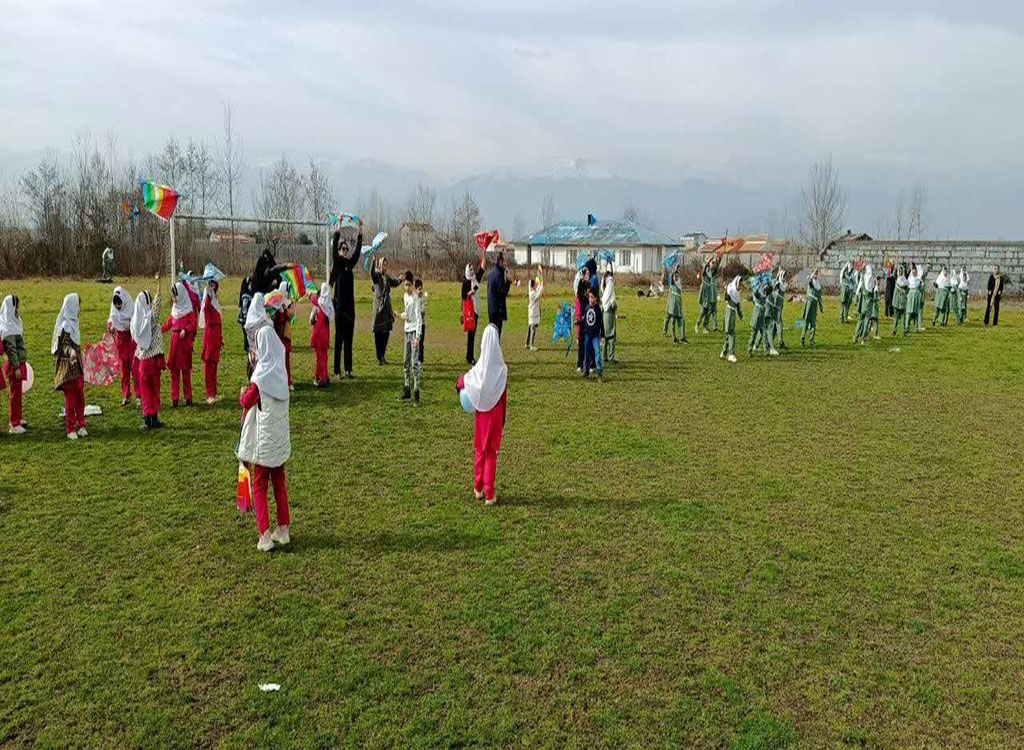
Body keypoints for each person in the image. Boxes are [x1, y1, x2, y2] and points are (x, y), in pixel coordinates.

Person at [238, 325, 292, 552]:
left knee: (259, 486)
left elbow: (246, 402)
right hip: (279, 442)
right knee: (279, 484)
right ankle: (284, 528)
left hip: (263, 444)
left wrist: (243, 393)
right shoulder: (281, 372)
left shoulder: (261, 378)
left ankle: (265, 534)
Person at [456, 324, 508, 506]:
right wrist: (503, 420)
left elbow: (465, 380)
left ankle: (478, 488)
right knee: (491, 453)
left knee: (480, 450)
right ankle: (489, 493)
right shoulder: (501, 369)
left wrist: (459, 385)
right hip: (495, 415)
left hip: (481, 415)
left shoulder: (479, 368)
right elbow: (504, 399)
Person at [329, 228, 363, 378]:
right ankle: (337, 371)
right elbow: (333, 251)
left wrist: (360, 233)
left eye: (346, 249)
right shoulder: (337, 264)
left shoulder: (349, 265)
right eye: (342, 249)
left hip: (350, 309)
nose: (344, 251)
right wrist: (338, 232)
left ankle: (348, 369)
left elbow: (357, 252)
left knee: (349, 340)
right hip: (340, 309)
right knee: (339, 341)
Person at [52, 293, 86, 439]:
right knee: (71, 398)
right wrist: (71, 351)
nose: (79, 309)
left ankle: (81, 423)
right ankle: (70, 427)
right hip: (68, 368)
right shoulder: (66, 326)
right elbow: (65, 345)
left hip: (77, 366)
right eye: (78, 305)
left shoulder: (74, 323)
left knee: (80, 395)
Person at [133, 281, 166, 431]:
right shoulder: (151, 318)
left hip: (143, 363)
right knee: (154, 390)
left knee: (146, 392)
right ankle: (154, 418)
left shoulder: (136, 322)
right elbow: (157, 305)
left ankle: (148, 419)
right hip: (153, 361)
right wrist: (158, 287)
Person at [162, 282, 197, 407]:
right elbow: (169, 323)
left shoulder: (188, 311)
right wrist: (158, 330)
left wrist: (186, 329)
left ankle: (188, 398)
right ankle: (174, 398)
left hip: (184, 343)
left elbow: (193, 324)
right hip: (175, 343)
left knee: (186, 371)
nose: (174, 299)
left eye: (176, 296)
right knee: (174, 372)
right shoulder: (175, 310)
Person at [0, 294, 28, 434]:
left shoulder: (14, 323)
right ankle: (14, 423)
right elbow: (11, 350)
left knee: (18, 394)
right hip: (14, 366)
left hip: (19, 364)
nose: (18, 309)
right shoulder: (7, 328)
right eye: (16, 306)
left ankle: (18, 417)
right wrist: (16, 367)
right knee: (15, 394)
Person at [106, 286, 137, 407]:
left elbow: (136, 321)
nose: (118, 307)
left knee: (134, 368)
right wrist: (111, 326)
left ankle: (139, 394)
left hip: (131, 338)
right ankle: (126, 395)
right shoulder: (114, 308)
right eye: (116, 305)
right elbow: (111, 318)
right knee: (124, 369)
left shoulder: (131, 306)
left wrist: (130, 327)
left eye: (120, 304)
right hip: (121, 341)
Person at [371, 256, 401, 365]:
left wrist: (400, 279)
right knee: (378, 333)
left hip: (387, 309)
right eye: (383, 264)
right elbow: (372, 273)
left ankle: (382, 355)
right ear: (379, 265)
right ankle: (379, 357)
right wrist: (373, 262)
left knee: (386, 333)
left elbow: (394, 283)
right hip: (378, 309)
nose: (385, 266)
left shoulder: (387, 278)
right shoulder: (376, 276)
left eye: (386, 264)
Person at [399, 271, 422, 405]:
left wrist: (417, 338)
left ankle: (416, 392)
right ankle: (407, 389)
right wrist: (398, 315)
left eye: (409, 285)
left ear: (412, 285)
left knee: (414, 364)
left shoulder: (415, 299)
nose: (407, 287)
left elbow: (418, 319)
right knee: (406, 362)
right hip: (406, 332)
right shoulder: (405, 297)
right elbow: (407, 315)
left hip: (414, 333)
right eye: (405, 285)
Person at [199, 280, 223, 404]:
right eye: (212, 286)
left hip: (216, 338)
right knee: (209, 367)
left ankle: (214, 392)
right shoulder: (208, 304)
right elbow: (206, 307)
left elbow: (219, 323)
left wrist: (221, 339)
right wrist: (207, 293)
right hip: (210, 337)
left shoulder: (216, 303)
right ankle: (209, 394)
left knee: (214, 367)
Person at [310, 282, 333, 388]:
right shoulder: (329, 304)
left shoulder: (319, 302)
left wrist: (309, 294)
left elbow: (313, 299)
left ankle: (321, 378)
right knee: (324, 357)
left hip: (319, 335)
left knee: (319, 358)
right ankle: (325, 376)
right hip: (326, 335)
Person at [273, 281, 295, 390]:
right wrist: (280, 310)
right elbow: (275, 319)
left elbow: (291, 315)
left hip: (285, 335)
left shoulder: (288, 302)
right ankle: (279, 380)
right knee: (279, 359)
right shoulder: (276, 302)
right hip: (278, 335)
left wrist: (286, 310)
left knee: (286, 358)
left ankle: (288, 381)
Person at [461, 263, 483, 364]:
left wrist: (484, 253)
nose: (472, 271)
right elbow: (464, 297)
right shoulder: (466, 282)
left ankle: (470, 356)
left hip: (476, 310)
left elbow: (482, 268)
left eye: (473, 269)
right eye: (470, 269)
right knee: (471, 335)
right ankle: (470, 357)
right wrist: (471, 292)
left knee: (473, 334)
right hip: (470, 311)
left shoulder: (476, 279)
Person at [582, 287, 604, 380]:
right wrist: (578, 322)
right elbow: (585, 320)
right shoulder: (586, 308)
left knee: (597, 353)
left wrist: (602, 335)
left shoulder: (598, 309)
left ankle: (599, 372)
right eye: (589, 297)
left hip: (595, 336)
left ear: (596, 298)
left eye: (592, 297)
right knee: (587, 353)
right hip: (587, 335)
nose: (590, 299)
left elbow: (601, 323)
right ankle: (586, 371)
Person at [487, 252, 511, 336]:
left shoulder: (491, 273)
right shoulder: (499, 275)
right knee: (497, 334)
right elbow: (502, 292)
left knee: (492, 333)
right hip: (498, 309)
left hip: (491, 308)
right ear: (500, 262)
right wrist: (508, 281)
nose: (506, 263)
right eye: (505, 261)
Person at [720, 276, 743, 363]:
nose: (740, 285)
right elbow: (726, 298)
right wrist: (726, 290)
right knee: (731, 333)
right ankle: (731, 354)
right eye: (739, 283)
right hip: (729, 312)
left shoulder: (737, 292)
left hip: (732, 313)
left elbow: (738, 305)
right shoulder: (731, 289)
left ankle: (724, 352)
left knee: (729, 333)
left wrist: (741, 316)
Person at [696, 255, 721, 333]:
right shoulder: (705, 271)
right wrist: (708, 260)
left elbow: (716, 268)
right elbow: (704, 268)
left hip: (710, 293)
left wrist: (719, 259)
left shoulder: (712, 272)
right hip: (705, 293)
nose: (713, 264)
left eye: (713, 263)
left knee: (708, 311)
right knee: (703, 311)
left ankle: (705, 327)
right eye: (712, 263)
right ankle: (697, 324)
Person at [852, 264, 876, 345]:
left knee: (860, 320)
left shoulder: (862, 276)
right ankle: (864, 338)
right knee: (867, 320)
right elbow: (873, 287)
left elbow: (858, 289)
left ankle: (855, 337)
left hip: (862, 301)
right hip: (868, 301)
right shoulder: (869, 279)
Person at [747, 279, 772, 355]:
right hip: (756, 317)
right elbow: (756, 293)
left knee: (764, 334)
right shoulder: (758, 294)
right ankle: (749, 350)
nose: (765, 288)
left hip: (762, 316)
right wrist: (757, 286)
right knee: (753, 334)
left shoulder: (765, 293)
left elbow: (770, 289)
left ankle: (766, 351)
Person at [800, 269, 823, 347]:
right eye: (815, 273)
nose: (816, 274)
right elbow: (809, 282)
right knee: (806, 321)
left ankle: (811, 340)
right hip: (809, 304)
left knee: (813, 323)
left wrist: (821, 306)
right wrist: (811, 276)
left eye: (817, 273)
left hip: (814, 305)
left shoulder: (818, 284)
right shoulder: (811, 282)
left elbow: (819, 297)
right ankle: (802, 338)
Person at [663, 270, 687, 343]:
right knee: (671, 320)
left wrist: (677, 266)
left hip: (678, 305)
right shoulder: (672, 284)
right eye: (675, 276)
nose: (676, 278)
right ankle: (673, 336)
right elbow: (670, 276)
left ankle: (682, 337)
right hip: (672, 305)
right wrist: (672, 270)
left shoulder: (679, 283)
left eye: (677, 276)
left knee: (681, 320)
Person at [601, 263, 617, 362]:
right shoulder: (610, 281)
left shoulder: (605, 280)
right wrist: (613, 304)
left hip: (605, 312)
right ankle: (610, 357)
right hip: (609, 313)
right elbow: (609, 298)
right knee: (610, 335)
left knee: (605, 335)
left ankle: (605, 356)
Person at [768, 268, 787, 351]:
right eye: (784, 276)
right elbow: (774, 284)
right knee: (778, 323)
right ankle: (780, 341)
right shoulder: (779, 283)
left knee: (775, 323)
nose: (784, 278)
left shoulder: (783, 284)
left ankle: (771, 341)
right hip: (775, 305)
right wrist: (778, 274)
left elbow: (776, 283)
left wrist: (778, 275)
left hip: (778, 305)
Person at [575, 267, 590, 370]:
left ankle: (589, 363)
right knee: (581, 341)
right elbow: (581, 297)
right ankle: (580, 363)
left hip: (590, 315)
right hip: (582, 315)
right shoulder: (581, 284)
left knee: (589, 341)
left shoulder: (591, 283)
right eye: (587, 274)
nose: (589, 275)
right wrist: (587, 294)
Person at [527, 269, 544, 352]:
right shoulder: (533, 294)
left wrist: (539, 276)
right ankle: (532, 345)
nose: (536, 286)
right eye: (535, 285)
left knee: (530, 327)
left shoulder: (531, 290)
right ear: (533, 286)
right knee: (533, 328)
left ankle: (527, 343)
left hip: (531, 312)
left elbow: (537, 287)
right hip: (533, 312)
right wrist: (542, 280)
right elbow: (540, 291)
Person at [906, 263, 926, 333]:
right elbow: (906, 287)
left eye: (915, 272)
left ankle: (916, 328)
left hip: (917, 296)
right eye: (913, 272)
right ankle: (907, 327)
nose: (914, 273)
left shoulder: (918, 279)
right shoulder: (909, 279)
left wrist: (922, 283)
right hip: (911, 296)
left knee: (916, 313)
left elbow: (921, 288)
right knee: (909, 312)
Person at [237, 276, 254, 355]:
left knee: (248, 332)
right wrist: (246, 317)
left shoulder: (250, 294)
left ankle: (248, 346)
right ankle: (247, 347)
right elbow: (244, 307)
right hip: (245, 318)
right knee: (246, 333)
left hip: (248, 317)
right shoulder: (245, 295)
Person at [891, 264, 909, 336]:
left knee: (903, 317)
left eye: (902, 271)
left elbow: (907, 289)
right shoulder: (896, 279)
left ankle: (904, 331)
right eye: (899, 271)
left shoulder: (905, 280)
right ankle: (894, 330)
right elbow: (893, 274)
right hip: (896, 300)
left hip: (902, 300)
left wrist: (904, 290)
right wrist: (895, 266)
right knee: (896, 317)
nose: (900, 272)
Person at [416, 278, 428, 365]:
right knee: (415, 343)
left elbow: (423, 310)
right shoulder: (414, 297)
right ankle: (415, 359)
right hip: (414, 324)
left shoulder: (424, 297)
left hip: (422, 324)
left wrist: (417, 311)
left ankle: (420, 360)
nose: (420, 290)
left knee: (421, 343)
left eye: (421, 288)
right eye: (419, 289)